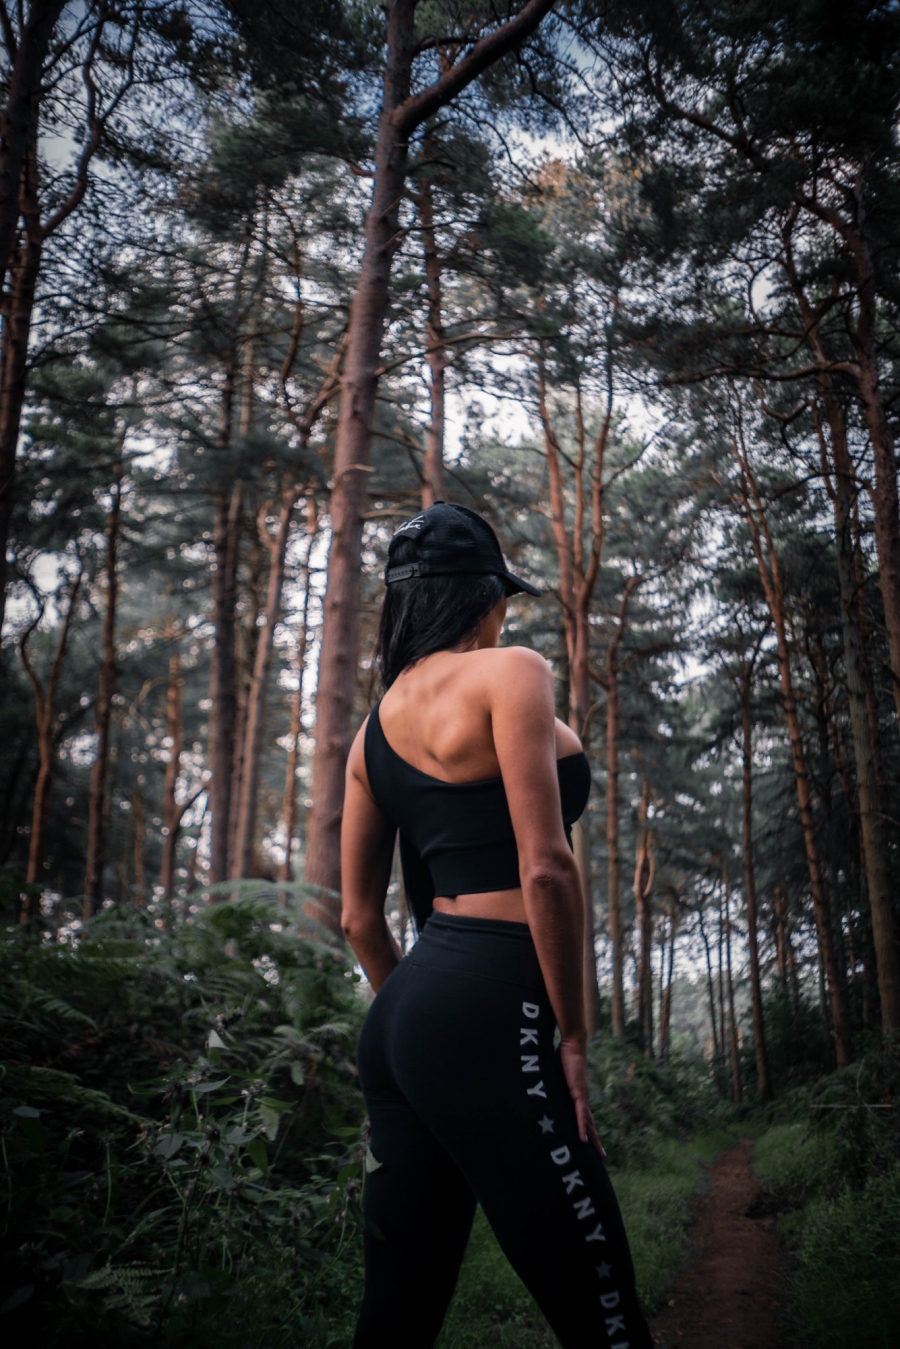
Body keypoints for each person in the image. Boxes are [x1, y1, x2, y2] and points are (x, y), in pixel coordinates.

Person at [340, 501, 655, 1349]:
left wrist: (422, 1020)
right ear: (484, 596)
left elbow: (358, 918)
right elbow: (545, 866)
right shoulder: (511, 672)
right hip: (490, 995)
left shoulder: (370, 736)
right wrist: (574, 1033)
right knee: (600, 1301)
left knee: (397, 1313)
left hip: (400, 1021)